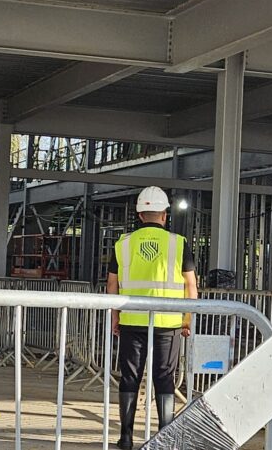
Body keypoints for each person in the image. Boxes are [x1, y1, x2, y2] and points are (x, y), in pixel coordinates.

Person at [106, 186, 198, 450]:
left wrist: (115, 316)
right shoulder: (178, 243)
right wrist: (187, 319)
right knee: (164, 377)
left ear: (139, 215)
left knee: (129, 377)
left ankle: (126, 438)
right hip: (168, 323)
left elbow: (112, 285)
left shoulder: (123, 244)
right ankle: (164, 439)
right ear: (165, 215)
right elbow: (190, 285)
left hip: (132, 320)